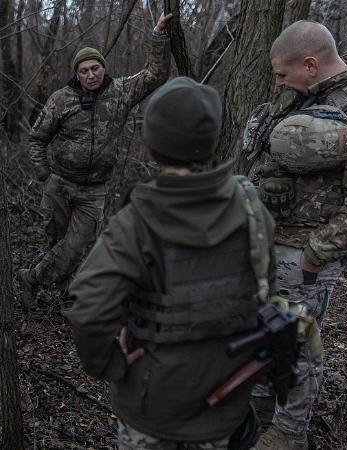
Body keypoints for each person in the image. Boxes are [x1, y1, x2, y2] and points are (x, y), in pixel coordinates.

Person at [67, 77, 278, 449]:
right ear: (212, 141)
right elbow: (265, 293)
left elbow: (89, 310)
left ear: (152, 145)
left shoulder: (135, 222)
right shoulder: (251, 207)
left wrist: (112, 366)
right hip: (228, 399)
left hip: (153, 408)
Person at [242, 20, 347, 449]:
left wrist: (317, 253)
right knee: (267, 330)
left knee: (297, 338)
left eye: (282, 73)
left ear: (312, 64)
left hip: (306, 253)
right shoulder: (317, 94)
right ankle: (259, 408)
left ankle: (288, 432)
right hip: (274, 244)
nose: (278, 82)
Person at [15, 13, 173, 308]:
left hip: (94, 190)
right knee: (57, 244)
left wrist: (158, 36)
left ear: (103, 68)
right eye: (85, 70)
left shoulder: (121, 93)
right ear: (77, 74)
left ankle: (31, 278)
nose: (91, 74)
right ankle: (65, 297)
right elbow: (37, 139)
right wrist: (44, 175)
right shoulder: (60, 100)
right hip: (59, 184)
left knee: (76, 246)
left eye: (96, 68)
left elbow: (156, 74)